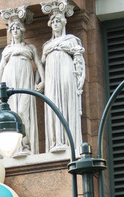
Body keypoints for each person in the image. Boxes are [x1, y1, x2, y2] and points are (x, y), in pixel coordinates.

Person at [0, 11, 44, 156]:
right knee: (13, 112)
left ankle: (26, 145)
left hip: (25, 80)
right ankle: (18, 147)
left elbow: (39, 64)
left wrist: (42, 81)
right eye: (12, 28)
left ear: (22, 31)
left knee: (22, 111)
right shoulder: (7, 50)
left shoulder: (30, 48)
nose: (15, 31)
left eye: (17, 28)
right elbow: (1, 68)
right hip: (10, 80)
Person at [41, 2, 85, 153]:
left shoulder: (71, 40)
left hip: (66, 72)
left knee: (67, 102)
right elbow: (41, 64)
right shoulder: (46, 45)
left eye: (58, 21)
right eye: (53, 21)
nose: (55, 24)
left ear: (63, 23)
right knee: (53, 104)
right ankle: (56, 141)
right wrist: (40, 82)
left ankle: (69, 140)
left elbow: (79, 59)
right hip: (51, 77)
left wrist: (80, 77)